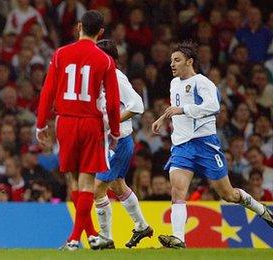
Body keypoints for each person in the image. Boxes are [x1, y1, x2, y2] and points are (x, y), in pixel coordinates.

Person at [152, 41, 273, 249]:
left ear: (189, 61)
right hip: (182, 145)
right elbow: (175, 107)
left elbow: (213, 106)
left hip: (206, 145)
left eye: (177, 60)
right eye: (171, 60)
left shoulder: (202, 82)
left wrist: (183, 110)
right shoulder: (174, 84)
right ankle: (179, 239)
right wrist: (163, 117)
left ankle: (261, 210)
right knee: (177, 190)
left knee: (228, 194)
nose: (172, 64)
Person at [35, 10, 121, 250]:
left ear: (79, 26)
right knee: (86, 182)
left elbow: (48, 91)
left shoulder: (61, 53)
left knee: (73, 178)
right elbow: (113, 103)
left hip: (65, 122)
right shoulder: (105, 60)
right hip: (91, 123)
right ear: (101, 32)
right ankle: (77, 238)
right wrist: (114, 131)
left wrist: (41, 123)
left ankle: (87, 235)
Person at [92, 39, 152, 249]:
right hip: (109, 141)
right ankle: (142, 226)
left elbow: (138, 106)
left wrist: (113, 122)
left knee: (98, 188)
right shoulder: (99, 78)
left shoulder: (116, 77)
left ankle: (105, 239)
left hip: (118, 141)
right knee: (118, 185)